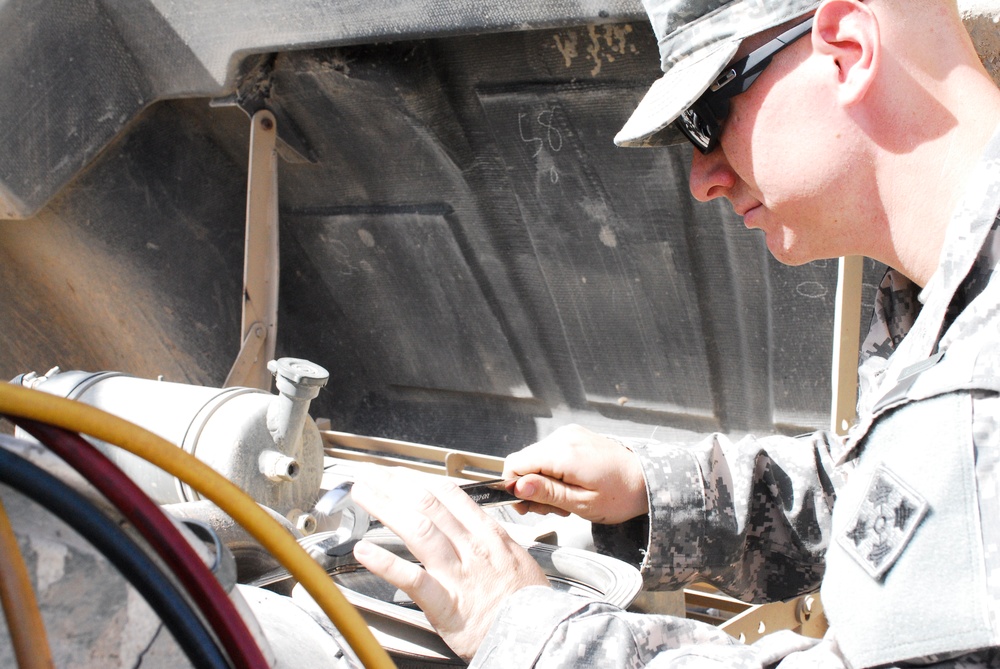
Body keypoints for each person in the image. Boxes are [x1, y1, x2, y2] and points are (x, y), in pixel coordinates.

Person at [350, 0, 1000, 665]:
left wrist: (534, 635)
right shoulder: (951, 310)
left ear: (848, 50)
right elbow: (885, 500)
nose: (702, 178)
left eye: (705, 117)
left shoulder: (984, 379)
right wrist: (654, 490)